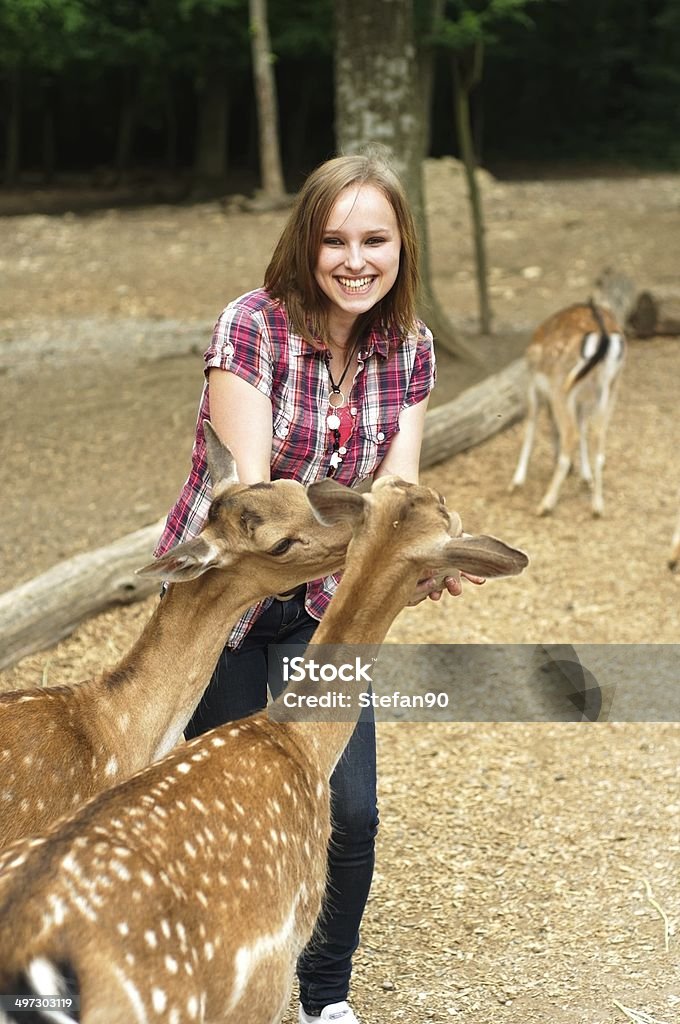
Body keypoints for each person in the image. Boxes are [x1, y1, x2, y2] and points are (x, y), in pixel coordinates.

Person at [155, 151, 479, 1024]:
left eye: (375, 239)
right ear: (306, 243)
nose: (355, 259)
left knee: (351, 808)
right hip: (223, 604)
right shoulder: (252, 327)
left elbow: (397, 494)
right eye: (335, 239)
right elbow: (252, 502)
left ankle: (323, 995)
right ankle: (212, 978)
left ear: (403, 245)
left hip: (323, 612)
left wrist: (417, 559)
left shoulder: (407, 348)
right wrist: (363, 551)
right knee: (224, 806)